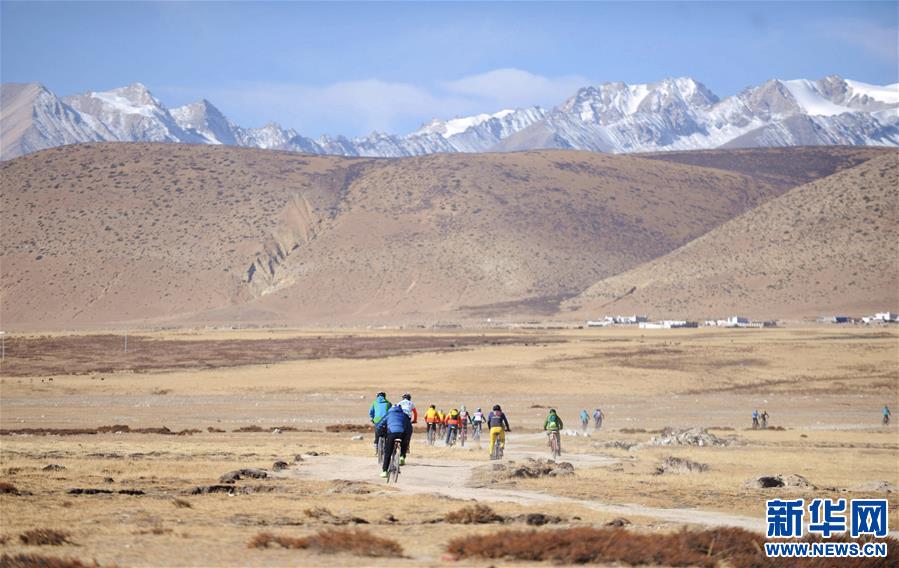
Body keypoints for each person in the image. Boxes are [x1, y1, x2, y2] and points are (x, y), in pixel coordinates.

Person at [380, 404, 412, 478]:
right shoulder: (404, 415)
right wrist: (408, 437)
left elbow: (380, 425)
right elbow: (409, 428)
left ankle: (384, 471)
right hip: (402, 433)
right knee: (404, 443)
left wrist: (381, 433)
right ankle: (402, 457)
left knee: (388, 452)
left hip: (392, 434)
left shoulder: (388, 414)